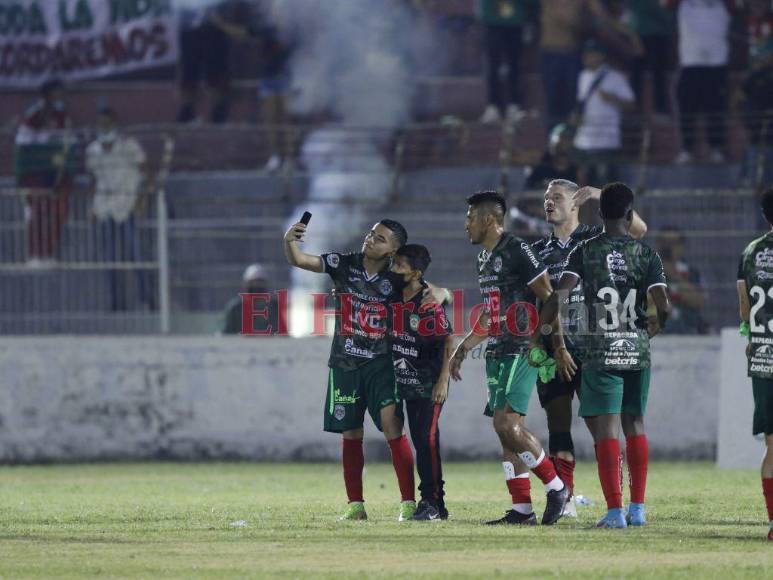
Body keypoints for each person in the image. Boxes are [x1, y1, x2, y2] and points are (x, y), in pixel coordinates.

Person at [283, 218, 448, 521]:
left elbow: (430, 288)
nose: (371, 239)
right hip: (345, 363)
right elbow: (300, 260)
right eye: (372, 233)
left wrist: (444, 292)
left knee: (392, 428)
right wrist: (289, 241)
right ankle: (355, 506)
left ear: (393, 251)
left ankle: (408, 503)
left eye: (381, 238)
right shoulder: (343, 263)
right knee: (350, 432)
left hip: (382, 364)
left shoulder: (396, 275)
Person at [536, 182, 670, 529]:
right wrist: (651, 328)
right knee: (635, 425)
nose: (549, 202)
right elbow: (664, 306)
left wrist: (544, 324)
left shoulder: (586, 249)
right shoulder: (647, 254)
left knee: (607, 431)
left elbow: (558, 297)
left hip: (598, 350)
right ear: (628, 213)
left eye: (556, 197)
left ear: (595, 212)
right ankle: (637, 508)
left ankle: (615, 512)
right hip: (635, 350)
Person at [450, 190, 570, 526]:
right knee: (503, 431)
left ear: (489, 220)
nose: (466, 226)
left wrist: (554, 346)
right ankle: (522, 510)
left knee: (508, 424)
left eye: (470, 218)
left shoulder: (517, 250)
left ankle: (556, 487)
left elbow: (550, 299)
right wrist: (464, 347)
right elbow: (491, 315)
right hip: (498, 349)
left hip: (523, 345)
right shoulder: (483, 259)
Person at [390, 244, 454, 521]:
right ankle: (436, 505)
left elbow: (448, 339)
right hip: (400, 379)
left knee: (425, 440)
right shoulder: (392, 294)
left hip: (426, 382)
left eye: (399, 266)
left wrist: (443, 381)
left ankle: (431, 501)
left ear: (415, 273)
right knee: (419, 440)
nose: (394, 270)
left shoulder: (428, 303)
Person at [85, 107, 151, 311]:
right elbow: (93, 180)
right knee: (109, 259)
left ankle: (149, 300)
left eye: (107, 123)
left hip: (128, 206)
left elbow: (146, 172)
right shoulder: (92, 150)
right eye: (100, 123)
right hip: (105, 210)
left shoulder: (129, 146)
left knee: (137, 256)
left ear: (115, 124)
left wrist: (142, 200)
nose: (104, 127)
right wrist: (92, 207)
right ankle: (115, 303)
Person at [737, 186, 773, 543]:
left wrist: (753, 340)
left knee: (772, 445)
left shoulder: (751, 252)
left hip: (764, 359)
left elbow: (744, 307)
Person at [14, 79, 75, 267]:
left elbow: (67, 143)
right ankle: (34, 254)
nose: (60, 97)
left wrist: (60, 164)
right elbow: (23, 144)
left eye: (62, 93)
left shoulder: (63, 116)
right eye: (57, 93)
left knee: (60, 212)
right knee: (37, 213)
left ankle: (48, 253)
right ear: (47, 95)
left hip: (56, 172)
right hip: (34, 173)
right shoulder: (32, 115)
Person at [667, 0, 735, 164]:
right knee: (686, 108)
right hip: (690, 64)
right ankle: (687, 149)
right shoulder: (683, 4)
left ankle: (717, 148)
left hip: (717, 64)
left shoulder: (723, 4)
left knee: (716, 108)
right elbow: (667, 4)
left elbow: (736, 8)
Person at [176, 0, 251, 123]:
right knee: (189, 71)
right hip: (190, 27)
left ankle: (219, 112)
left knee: (216, 73)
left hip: (215, 27)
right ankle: (187, 111)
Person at [573, 41, 636, 186]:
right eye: (585, 54)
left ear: (601, 56)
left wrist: (612, 98)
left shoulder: (615, 77)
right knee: (584, 184)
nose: (586, 58)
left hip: (607, 140)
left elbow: (631, 105)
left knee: (606, 184)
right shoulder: (582, 76)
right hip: (584, 140)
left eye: (591, 54)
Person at [478, 0, 538, 123]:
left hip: (516, 22)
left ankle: (514, 105)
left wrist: (530, 18)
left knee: (514, 65)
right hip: (492, 21)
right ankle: (493, 105)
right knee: (493, 66)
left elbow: (534, 4)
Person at [627, 0, 676, 117]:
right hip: (641, 34)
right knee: (637, 74)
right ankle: (634, 109)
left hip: (662, 34)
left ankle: (660, 108)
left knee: (660, 73)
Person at [656, 230, 707, 334]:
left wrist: (675, 276)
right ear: (658, 244)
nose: (668, 248)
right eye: (665, 242)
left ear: (682, 246)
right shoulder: (647, 271)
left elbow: (699, 302)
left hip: (688, 331)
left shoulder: (691, 273)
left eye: (673, 243)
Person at [220, 263, 277, 334]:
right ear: (245, 285)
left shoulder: (275, 307)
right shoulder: (235, 308)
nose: (256, 287)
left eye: (260, 283)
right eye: (253, 283)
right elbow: (226, 334)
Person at [524, 124, 580, 191]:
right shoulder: (541, 166)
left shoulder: (576, 169)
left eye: (567, 139)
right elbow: (530, 189)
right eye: (561, 138)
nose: (564, 144)